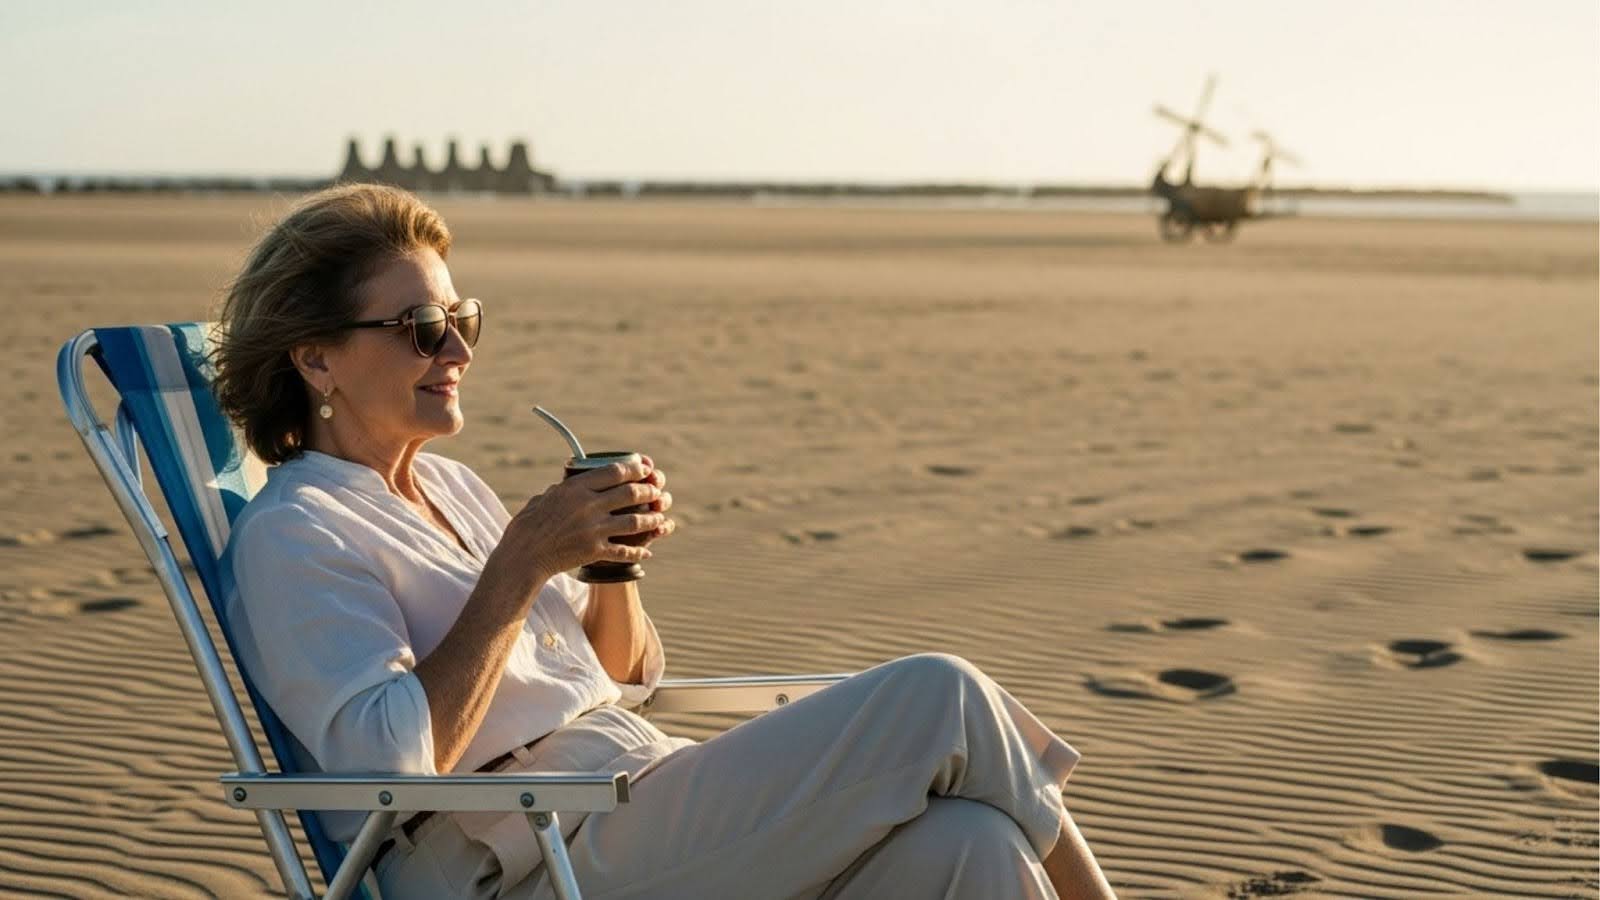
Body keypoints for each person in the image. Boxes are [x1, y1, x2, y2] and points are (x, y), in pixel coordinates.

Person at [214, 183, 1116, 900]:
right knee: (942, 697)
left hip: (634, 806)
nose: (456, 349)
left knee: (973, 846)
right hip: (527, 856)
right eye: (421, 328)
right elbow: (386, 762)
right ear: (316, 358)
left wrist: (610, 564)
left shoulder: (449, 486)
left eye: (463, 319)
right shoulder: (297, 531)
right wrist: (523, 561)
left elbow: (620, 678)